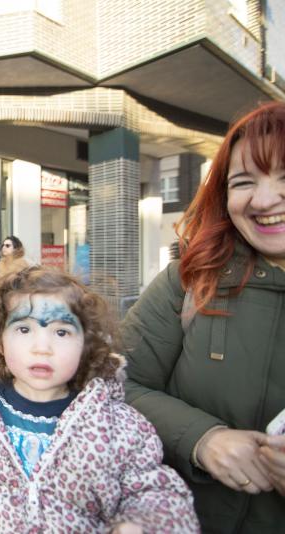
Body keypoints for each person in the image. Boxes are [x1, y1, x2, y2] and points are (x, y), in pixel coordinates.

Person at [0, 266, 198, 534]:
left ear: (87, 344)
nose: (43, 347)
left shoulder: (117, 424)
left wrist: (143, 524)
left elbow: (153, 489)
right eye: (24, 330)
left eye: (61, 332)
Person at [121, 101, 285, 532]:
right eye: (244, 181)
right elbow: (115, 383)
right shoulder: (189, 280)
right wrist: (200, 438)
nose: (264, 200)